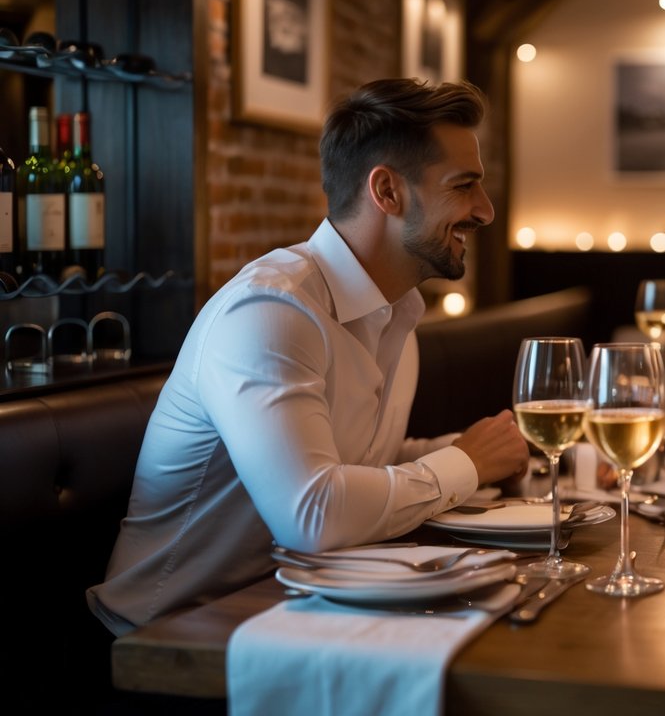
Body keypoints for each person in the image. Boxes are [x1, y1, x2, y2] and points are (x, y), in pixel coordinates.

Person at [88, 78, 530, 635]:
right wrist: (465, 463)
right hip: (165, 639)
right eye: (465, 186)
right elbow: (314, 515)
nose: (485, 211)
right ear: (388, 192)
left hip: (293, 613)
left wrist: (479, 454)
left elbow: (360, 463)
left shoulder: (398, 311)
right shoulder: (271, 311)